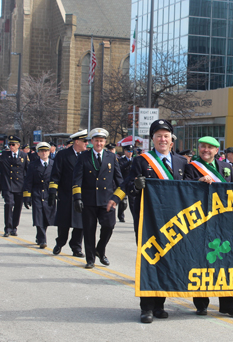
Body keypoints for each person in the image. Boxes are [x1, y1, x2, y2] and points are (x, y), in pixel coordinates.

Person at [107, 119, 187, 324]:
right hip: (148, 219)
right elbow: (129, 185)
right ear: (153, 139)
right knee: (149, 260)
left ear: (171, 140)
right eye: (159, 136)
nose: (162, 139)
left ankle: (160, 305)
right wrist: (133, 187)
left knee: (167, 261)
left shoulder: (181, 163)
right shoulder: (142, 161)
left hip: (173, 220)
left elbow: (188, 189)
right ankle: (146, 307)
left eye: (166, 136)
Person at [184, 136, 233, 317]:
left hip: (223, 221)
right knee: (201, 260)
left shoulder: (226, 168)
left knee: (226, 262)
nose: (206, 150)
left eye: (210, 147)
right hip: (200, 221)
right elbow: (182, 191)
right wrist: (197, 183)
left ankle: (227, 304)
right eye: (202, 147)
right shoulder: (191, 168)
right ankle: (201, 303)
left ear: (217, 151)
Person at [72, 128, 123, 269]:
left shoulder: (111, 157)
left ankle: (100, 249)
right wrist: (77, 198)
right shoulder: (83, 157)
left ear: (105, 142)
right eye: (96, 141)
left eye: (101, 141)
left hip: (107, 200)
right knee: (89, 230)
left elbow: (119, 179)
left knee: (109, 226)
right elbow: (77, 179)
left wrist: (121, 197)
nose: (99, 143)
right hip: (89, 200)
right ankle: (90, 259)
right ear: (91, 142)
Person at [48, 130, 88, 258]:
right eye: (84, 141)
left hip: (82, 195)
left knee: (80, 224)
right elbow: (55, 175)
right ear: (77, 141)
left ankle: (76, 247)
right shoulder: (63, 155)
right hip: (66, 195)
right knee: (64, 223)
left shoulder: (87, 155)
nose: (87, 143)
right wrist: (53, 192)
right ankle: (60, 243)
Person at [0, 135, 29, 237]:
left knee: (18, 207)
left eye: (13, 144)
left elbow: (28, 171)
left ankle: (14, 227)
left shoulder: (23, 156)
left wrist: (28, 187)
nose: (11, 146)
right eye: (9, 144)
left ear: (18, 145)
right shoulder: (5, 154)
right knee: (9, 204)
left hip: (20, 186)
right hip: (8, 185)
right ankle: (7, 228)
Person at [23, 142, 56, 249]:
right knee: (38, 216)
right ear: (38, 153)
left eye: (46, 151)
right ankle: (42, 239)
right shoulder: (33, 165)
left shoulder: (53, 164)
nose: (44, 153)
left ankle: (39, 235)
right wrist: (27, 196)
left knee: (46, 217)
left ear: (49, 152)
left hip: (49, 194)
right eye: (41, 151)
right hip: (37, 193)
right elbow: (28, 181)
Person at [117, 145, 135, 222]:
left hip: (132, 183)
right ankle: (120, 215)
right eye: (128, 151)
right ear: (125, 151)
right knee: (123, 202)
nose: (130, 153)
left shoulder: (135, 160)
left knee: (133, 202)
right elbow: (119, 169)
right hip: (123, 183)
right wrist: (127, 164)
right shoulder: (121, 160)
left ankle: (135, 217)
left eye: (131, 151)